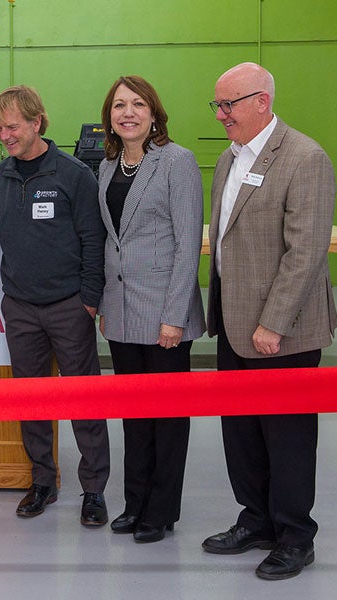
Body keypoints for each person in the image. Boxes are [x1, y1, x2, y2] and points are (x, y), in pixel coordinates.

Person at [201, 62, 337, 580]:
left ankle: (295, 536)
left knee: (287, 437)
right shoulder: (227, 161)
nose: (221, 114)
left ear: (262, 100)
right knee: (241, 433)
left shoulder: (305, 158)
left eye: (228, 104)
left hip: (283, 331)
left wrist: (274, 323)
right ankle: (256, 520)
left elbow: (305, 253)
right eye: (217, 105)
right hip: (234, 325)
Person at [0, 85, 110, 526]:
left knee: (83, 401)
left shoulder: (74, 174)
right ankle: (43, 480)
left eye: (12, 126)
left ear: (37, 122)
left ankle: (94, 490)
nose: (4, 135)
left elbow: (92, 241)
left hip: (68, 306)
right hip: (20, 306)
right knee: (31, 399)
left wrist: (90, 301)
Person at [95, 75, 205, 544]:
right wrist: (104, 302)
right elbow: (111, 241)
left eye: (138, 104)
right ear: (110, 118)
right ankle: (134, 502)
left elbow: (187, 245)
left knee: (167, 417)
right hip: (120, 310)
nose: (128, 113)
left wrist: (174, 316)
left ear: (154, 113)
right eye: (119, 106)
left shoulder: (177, 162)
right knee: (134, 414)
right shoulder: (108, 165)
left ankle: (161, 510)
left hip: (164, 311)